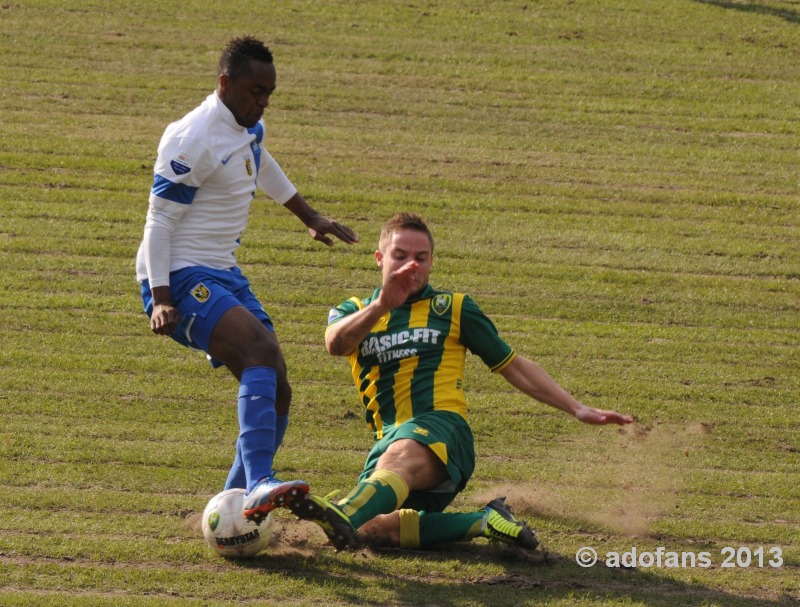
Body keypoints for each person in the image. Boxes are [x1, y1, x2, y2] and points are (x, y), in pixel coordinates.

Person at [288, 212, 633, 551]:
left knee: (381, 480)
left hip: (442, 428)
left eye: (421, 258)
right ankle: (484, 521)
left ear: (432, 262)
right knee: (374, 530)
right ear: (380, 259)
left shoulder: (452, 308)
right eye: (400, 256)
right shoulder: (354, 309)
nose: (412, 265)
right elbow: (336, 345)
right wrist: (381, 305)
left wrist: (577, 408)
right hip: (389, 441)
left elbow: (512, 364)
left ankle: (343, 510)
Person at [135, 36, 358, 522]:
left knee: (277, 386)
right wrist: (160, 298)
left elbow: (260, 160)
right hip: (177, 274)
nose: (263, 102)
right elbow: (159, 223)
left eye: (268, 94)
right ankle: (259, 482)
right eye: (256, 91)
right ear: (224, 83)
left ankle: (232, 509)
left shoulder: (245, 124)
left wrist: (308, 215)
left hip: (222, 271)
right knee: (260, 349)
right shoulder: (192, 140)